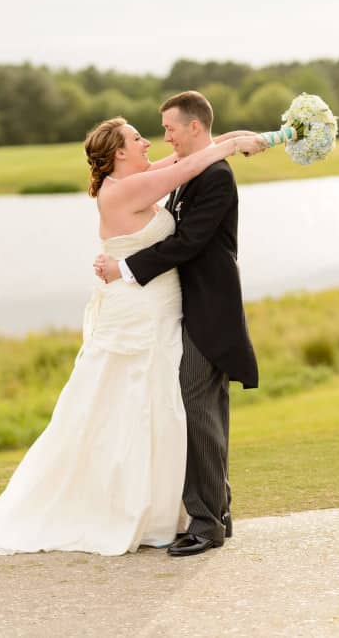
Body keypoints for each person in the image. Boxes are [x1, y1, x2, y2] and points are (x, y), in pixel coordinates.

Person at [0, 112, 264, 556]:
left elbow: (187, 158)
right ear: (118, 152)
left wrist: (237, 138)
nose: (150, 142)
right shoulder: (125, 188)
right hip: (141, 310)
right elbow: (185, 166)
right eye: (137, 137)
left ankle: (194, 510)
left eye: (156, 132)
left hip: (161, 309)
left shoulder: (140, 177)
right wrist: (233, 145)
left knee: (165, 408)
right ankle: (154, 509)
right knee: (134, 406)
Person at [93, 90, 260, 557]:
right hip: (185, 311)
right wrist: (236, 139)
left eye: (169, 128)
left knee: (197, 409)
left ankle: (208, 524)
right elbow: (181, 173)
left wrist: (124, 269)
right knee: (201, 410)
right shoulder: (192, 171)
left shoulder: (215, 178)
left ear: (193, 127)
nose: (163, 136)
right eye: (156, 130)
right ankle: (215, 511)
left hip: (210, 311)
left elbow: (187, 243)